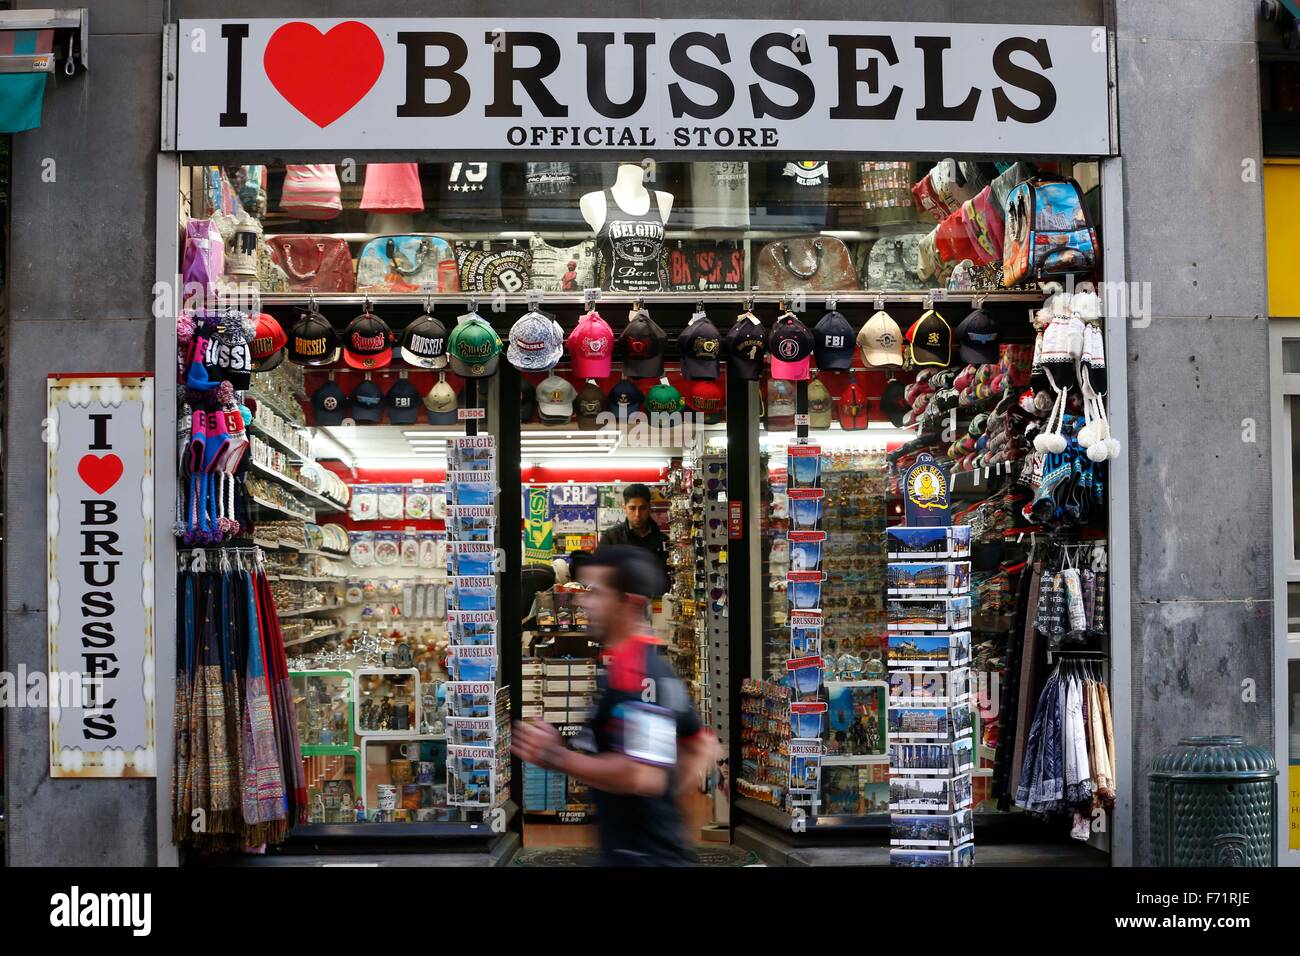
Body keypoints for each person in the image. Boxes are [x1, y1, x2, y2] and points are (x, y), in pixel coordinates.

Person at [512, 545, 719, 866]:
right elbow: (702, 745)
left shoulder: (638, 674)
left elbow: (642, 774)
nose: (584, 602)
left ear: (630, 603)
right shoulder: (640, 667)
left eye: (596, 593)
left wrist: (556, 756)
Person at [597, 483, 669, 592]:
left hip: (656, 604)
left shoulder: (664, 541)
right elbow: (598, 575)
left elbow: (668, 579)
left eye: (642, 508)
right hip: (620, 605)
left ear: (649, 508)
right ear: (624, 508)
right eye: (632, 508)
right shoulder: (610, 538)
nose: (637, 514)